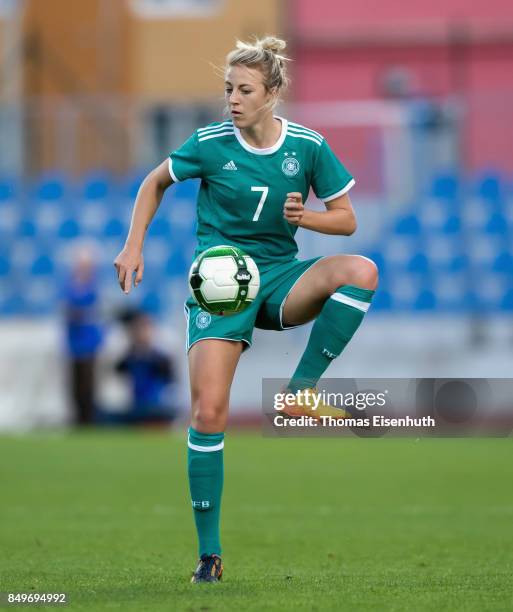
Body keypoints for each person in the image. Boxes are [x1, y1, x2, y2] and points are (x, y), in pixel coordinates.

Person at [114, 36, 378, 583]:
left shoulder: (306, 146)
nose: (232, 99)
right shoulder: (209, 143)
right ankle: (209, 555)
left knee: (361, 271)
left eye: (244, 90)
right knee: (209, 413)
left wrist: (305, 218)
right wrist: (133, 244)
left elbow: (347, 219)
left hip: (281, 276)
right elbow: (154, 182)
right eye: (228, 89)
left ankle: (301, 390)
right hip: (221, 282)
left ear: (272, 93)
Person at [62, 242, 104, 426]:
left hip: (89, 344)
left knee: (88, 383)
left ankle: (88, 419)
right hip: (74, 344)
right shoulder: (71, 287)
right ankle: (78, 418)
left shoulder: (92, 288)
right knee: (75, 384)